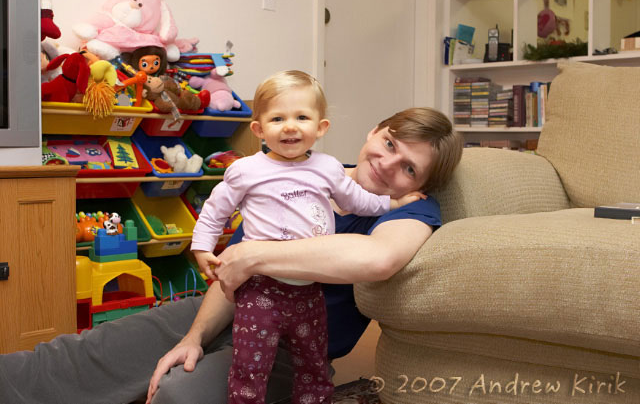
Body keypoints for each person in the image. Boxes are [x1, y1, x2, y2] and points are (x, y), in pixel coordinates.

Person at [0, 106, 462, 404]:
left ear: (420, 184)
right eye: (389, 144)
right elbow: (231, 271)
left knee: (179, 395)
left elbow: (376, 259)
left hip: (291, 349)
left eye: (408, 168)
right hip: (225, 310)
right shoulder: (299, 172)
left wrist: (257, 256)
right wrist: (195, 336)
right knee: (81, 354)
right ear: (374, 131)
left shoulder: (413, 209)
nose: (386, 163)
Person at [191, 70, 421, 404]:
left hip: (310, 291)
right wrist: (201, 248)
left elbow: (359, 201)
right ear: (259, 130)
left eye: (301, 117)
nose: (290, 127)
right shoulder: (246, 171)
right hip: (260, 290)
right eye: (277, 118)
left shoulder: (328, 169)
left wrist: (393, 204)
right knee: (250, 366)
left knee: (312, 363)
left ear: (320, 127)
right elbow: (215, 211)